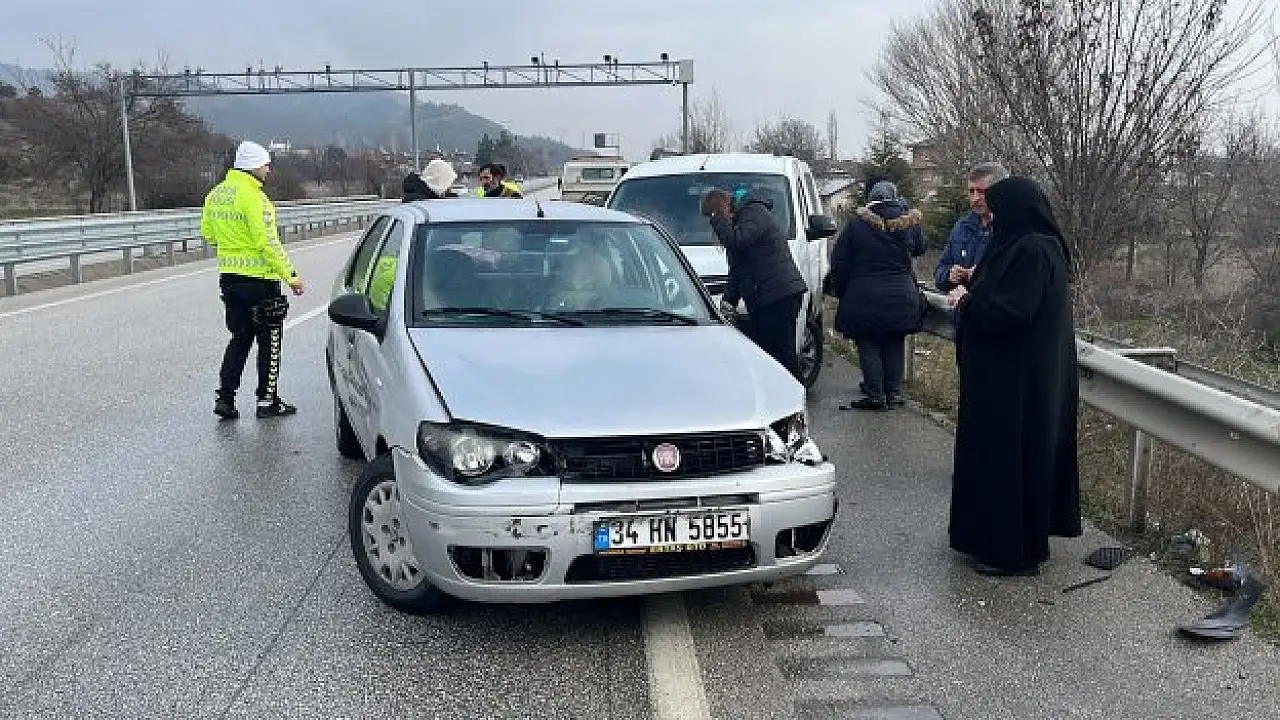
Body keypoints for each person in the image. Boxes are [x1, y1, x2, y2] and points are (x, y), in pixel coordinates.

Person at [945, 176, 1081, 576]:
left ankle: (1014, 553)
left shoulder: (1031, 250)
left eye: (997, 210)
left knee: (1010, 462)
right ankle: (992, 541)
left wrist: (967, 302)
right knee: (1005, 461)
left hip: (1016, 384)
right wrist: (977, 284)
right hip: (1016, 378)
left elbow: (1012, 313)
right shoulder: (1034, 246)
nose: (993, 218)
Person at [202, 140, 305, 420]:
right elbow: (268, 242)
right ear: (253, 166)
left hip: (230, 279)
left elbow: (208, 233)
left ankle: (225, 398)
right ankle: (267, 401)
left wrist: (232, 249)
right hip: (261, 283)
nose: (269, 169)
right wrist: (291, 276)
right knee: (270, 342)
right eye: (265, 164)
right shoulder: (256, 199)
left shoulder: (215, 195)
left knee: (239, 338)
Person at [824, 180, 926, 411]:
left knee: (868, 342)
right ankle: (894, 393)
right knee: (894, 341)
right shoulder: (909, 221)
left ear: (871, 200)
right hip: (902, 294)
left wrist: (841, 290)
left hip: (864, 294)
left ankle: (875, 393)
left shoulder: (857, 225)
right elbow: (920, 248)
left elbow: (839, 261)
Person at [701, 187, 807, 381]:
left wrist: (718, 219)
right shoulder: (742, 220)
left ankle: (796, 391)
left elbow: (737, 242)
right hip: (767, 296)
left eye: (713, 216)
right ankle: (781, 390)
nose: (713, 223)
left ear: (722, 209)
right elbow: (738, 269)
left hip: (778, 295)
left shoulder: (753, 211)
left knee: (782, 354)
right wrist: (728, 302)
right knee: (770, 351)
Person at [934, 162, 1009, 292]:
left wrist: (982, 275)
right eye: (971, 191)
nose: (975, 198)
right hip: (960, 302)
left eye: (981, 192)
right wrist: (949, 275)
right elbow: (940, 269)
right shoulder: (962, 227)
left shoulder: (1011, 230)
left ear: (999, 192)